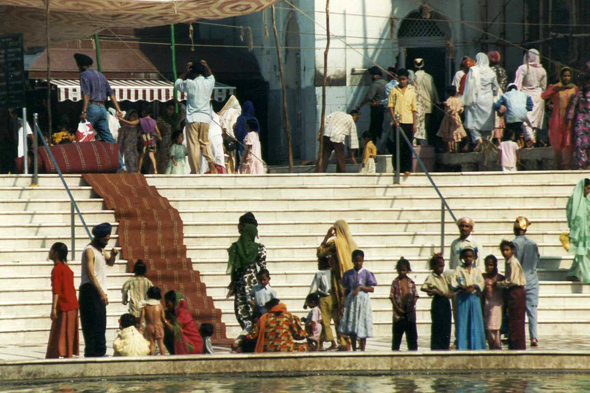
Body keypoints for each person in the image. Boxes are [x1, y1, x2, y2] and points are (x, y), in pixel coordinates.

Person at [74, 53, 126, 171]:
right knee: (109, 140)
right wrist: (118, 109)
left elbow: (86, 94)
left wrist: (84, 111)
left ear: (81, 66)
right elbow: (111, 93)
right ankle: (121, 165)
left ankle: (82, 165)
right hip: (103, 109)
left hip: (92, 107)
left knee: (83, 137)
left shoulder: (84, 75)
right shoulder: (101, 75)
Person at [317, 220, 358, 349]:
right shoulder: (352, 244)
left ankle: (343, 341)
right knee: (345, 310)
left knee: (338, 310)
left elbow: (320, 252)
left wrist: (327, 236)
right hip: (351, 281)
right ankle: (347, 340)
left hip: (338, 281)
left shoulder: (335, 243)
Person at [79, 222, 118, 357]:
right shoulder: (89, 251)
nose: (107, 242)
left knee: (101, 324)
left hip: (99, 291)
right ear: (98, 238)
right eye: (105, 240)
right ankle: (92, 353)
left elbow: (110, 263)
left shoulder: (101, 250)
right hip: (90, 290)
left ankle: (100, 353)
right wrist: (101, 292)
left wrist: (113, 255)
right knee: (91, 325)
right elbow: (90, 274)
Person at [174, 60, 218, 174]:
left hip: (192, 118)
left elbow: (177, 83)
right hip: (205, 118)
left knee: (193, 145)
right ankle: (211, 163)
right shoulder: (209, 82)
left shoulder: (190, 83)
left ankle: (195, 170)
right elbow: (211, 75)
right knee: (205, 142)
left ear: (193, 73)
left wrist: (185, 72)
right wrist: (207, 66)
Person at [227, 222, 267, 332]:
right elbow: (263, 266)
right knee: (248, 310)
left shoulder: (236, 247)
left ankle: (250, 333)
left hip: (242, 284)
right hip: (252, 284)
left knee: (242, 310)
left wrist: (233, 283)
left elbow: (234, 268)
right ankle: (250, 334)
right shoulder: (259, 248)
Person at [45, 242, 79, 359]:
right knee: (67, 334)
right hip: (72, 305)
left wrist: (53, 308)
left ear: (56, 253)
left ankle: (56, 356)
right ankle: (67, 355)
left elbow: (56, 290)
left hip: (64, 306)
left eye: (51, 250)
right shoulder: (66, 268)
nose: (49, 252)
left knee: (58, 333)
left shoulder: (57, 269)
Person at [339, 249, 377, 352]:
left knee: (362, 322)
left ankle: (363, 348)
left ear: (363, 260)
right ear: (352, 260)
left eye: (360, 261)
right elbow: (345, 289)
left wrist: (360, 288)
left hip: (363, 301)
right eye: (356, 261)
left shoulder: (367, 273)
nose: (358, 263)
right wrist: (343, 302)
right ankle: (354, 348)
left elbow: (372, 289)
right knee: (352, 322)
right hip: (352, 301)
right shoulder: (348, 274)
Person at [512, 216, 541, 347]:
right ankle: (534, 337)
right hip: (532, 279)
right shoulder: (533, 243)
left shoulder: (513, 244)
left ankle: (515, 335)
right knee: (532, 310)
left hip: (519, 280)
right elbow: (537, 259)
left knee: (517, 310)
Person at [463, 52, 501, 151]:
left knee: (471, 120)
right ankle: (486, 142)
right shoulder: (491, 72)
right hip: (488, 100)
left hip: (476, 98)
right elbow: (496, 88)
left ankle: (478, 139)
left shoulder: (473, 70)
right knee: (487, 122)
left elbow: (468, 86)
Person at [541, 67, 578, 169]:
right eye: (564, 76)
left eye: (568, 76)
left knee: (568, 143)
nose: (566, 78)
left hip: (570, 119)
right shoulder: (556, 88)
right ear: (561, 77)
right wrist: (553, 88)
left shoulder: (574, 89)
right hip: (557, 118)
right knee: (557, 142)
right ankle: (558, 165)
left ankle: (567, 165)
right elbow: (543, 96)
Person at [451, 246, 486, 350]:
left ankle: (477, 346)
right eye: (466, 257)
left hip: (474, 298)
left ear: (474, 257)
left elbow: (481, 282)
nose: (468, 259)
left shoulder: (477, 270)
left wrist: (474, 286)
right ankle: (462, 346)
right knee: (462, 321)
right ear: (462, 257)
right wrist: (462, 287)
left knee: (475, 321)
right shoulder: (459, 269)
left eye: (470, 256)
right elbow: (453, 282)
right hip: (462, 297)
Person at [497, 240, 527, 350]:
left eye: (507, 250)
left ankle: (517, 345)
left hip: (516, 291)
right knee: (513, 319)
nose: (505, 252)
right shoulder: (508, 261)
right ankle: (514, 343)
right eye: (503, 250)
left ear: (512, 250)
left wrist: (499, 284)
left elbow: (511, 280)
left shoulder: (512, 262)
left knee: (516, 320)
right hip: (513, 291)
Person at [514, 49, 547, 147]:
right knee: (535, 121)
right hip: (538, 97)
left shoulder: (523, 68)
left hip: (525, 95)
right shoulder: (542, 70)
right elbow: (543, 86)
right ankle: (532, 140)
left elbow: (517, 83)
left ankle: (530, 139)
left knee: (525, 119)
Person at [388, 68, 417, 176]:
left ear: (407, 79)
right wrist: (394, 119)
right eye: (400, 79)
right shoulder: (394, 90)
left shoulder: (411, 91)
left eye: (404, 79)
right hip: (397, 122)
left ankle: (407, 168)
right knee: (397, 145)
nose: (402, 81)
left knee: (407, 145)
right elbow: (390, 106)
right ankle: (397, 168)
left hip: (408, 121)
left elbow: (414, 109)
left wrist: (414, 124)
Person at [305, 256, 337, 351]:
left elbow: (313, 288)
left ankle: (332, 342)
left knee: (324, 322)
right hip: (333, 298)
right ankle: (323, 343)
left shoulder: (319, 274)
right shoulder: (333, 273)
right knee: (324, 322)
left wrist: (306, 302)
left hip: (323, 299)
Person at [421, 254, 452, 350]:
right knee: (438, 325)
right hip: (438, 302)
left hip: (445, 302)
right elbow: (423, 288)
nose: (441, 268)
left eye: (442, 266)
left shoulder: (443, 277)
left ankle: (444, 346)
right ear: (433, 266)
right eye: (439, 266)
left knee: (446, 325)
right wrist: (435, 291)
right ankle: (436, 347)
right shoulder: (431, 277)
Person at [119, 109, 162, 174]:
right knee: (131, 162)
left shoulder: (138, 127)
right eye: (133, 116)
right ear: (129, 117)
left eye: (135, 116)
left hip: (135, 147)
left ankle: (139, 171)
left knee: (139, 158)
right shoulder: (124, 128)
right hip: (127, 148)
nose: (134, 118)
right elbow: (121, 140)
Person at [390, 257, 419, 351]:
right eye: (400, 270)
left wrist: (411, 307)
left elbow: (415, 296)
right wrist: (398, 309)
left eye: (404, 270)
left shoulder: (411, 282)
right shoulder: (395, 282)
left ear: (407, 270)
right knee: (397, 338)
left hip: (410, 314)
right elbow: (392, 297)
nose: (402, 272)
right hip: (398, 315)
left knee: (412, 338)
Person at [494, 83, 534, 149]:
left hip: (511, 117)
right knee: (518, 128)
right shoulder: (524, 94)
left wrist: (498, 109)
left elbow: (497, 105)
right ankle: (519, 143)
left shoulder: (505, 95)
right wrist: (525, 109)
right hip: (522, 116)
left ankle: (513, 145)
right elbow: (530, 105)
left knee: (510, 130)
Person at [163, 290, 204, 355]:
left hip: (194, 346)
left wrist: (163, 320)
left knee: (168, 331)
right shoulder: (173, 314)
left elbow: (174, 330)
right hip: (188, 342)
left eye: (167, 302)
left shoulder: (183, 314)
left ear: (174, 302)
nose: (166, 305)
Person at [565, 179, 590, 283]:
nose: (589, 191)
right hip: (580, 232)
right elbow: (571, 215)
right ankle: (588, 276)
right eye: (588, 188)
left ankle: (573, 273)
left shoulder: (587, 200)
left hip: (587, 231)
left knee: (583, 252)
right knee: (583, 253)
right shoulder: (574, 200)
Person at [413, 58, 441, 146]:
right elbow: (433, 91)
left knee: (417, 127)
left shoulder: (412, 77)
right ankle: (424, 146)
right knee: (425, 127)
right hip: (427, 106)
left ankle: (418, 145)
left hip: (416, 105)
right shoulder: (429, 77)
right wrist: (437, 102)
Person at [356, 66, 388, 142]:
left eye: (370, 75)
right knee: (379, 129)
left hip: (376, 109)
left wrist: (360, 105)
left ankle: (372, 147)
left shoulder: (375, 84)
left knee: (374, 129)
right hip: (385, 109)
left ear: (374, 75)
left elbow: (369, 97)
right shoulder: (386, 83)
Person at [566, 77, 590, 170]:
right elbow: (573, 107)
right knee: (581, 143)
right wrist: (569, 119)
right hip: (581, 121)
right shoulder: (579, 94)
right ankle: (581, 165)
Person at [482, 255, 505, 350]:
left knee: (495, 329)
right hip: (487, 305)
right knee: (488, 328)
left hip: (497, 305)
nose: (489, 267)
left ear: (495, 265)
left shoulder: (500, 278)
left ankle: (497, 347)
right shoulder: (483, 278)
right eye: (487, 265)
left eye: (491, 265)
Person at [437, 85, 467, 153]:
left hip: (448, 118)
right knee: (455, 132)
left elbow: (446, 107)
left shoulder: (448, 100)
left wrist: (443, 104)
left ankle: (450, 148)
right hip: (456, 117)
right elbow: (461, 109)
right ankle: (455, 148)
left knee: (448, 132)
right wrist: (458, 111)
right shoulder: (459, 100)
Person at [139, 286, 167, 356]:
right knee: (161, 344)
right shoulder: (159, 306)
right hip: (159, 326)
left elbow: (141, 318)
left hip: (149, 326)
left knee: (151, 344)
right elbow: (163, 318)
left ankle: (152, 359)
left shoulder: (145, 307)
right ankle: (164, 359)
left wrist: (140, 327)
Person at [234, 101, 261, 171]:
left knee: (242, 163)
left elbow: (237, 132)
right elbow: (258, 132)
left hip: (242, 145)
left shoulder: (240, 118)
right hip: (254, 146)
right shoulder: (255, 120)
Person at [218, 95, 242, 173]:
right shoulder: (232, 112)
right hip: (233, 139)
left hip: (226, 139)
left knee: (228, 160)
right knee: (233, 159)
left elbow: (224, 126)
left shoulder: (226, 113)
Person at [488, 51, 508, 144]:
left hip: (492, 96)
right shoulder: (503, 70)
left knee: (492, 117)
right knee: (500, 117)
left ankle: (493, 138)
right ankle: (499, 138)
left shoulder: (489, 71)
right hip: (501, 96)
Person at [200, 110, 227, 174]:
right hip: (212, 138)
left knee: (213, 160)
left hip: (211, 138)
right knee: (215, 160)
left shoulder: (214, 116)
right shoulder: (213, 115)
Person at [156, 103, 179, 174]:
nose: (170, 111)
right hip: (164, 142)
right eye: (169, 109)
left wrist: (177, 102)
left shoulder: (175, 119)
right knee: (163, 161)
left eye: (172, 110)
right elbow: (156, 131)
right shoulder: (161, 119)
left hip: (174, 143)